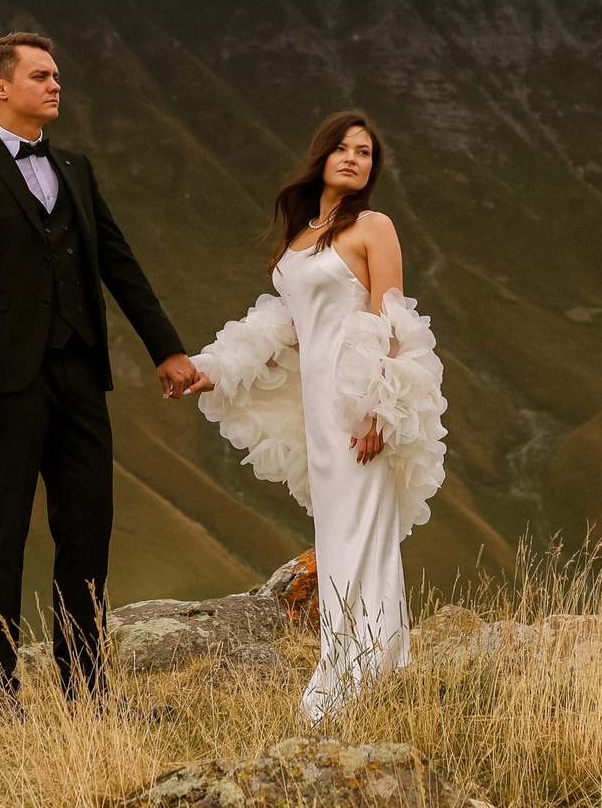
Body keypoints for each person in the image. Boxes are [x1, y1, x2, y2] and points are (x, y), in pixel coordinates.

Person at [0, 31, 205, 720]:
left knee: (87, 532)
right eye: (41, 75)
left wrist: (166, 348)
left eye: (56, 76)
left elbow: (117, 260)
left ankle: (88, 691)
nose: (56, 85)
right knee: (1, 534)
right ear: (0, 87)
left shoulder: (75, 167)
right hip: (5, 383)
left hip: (81, 376)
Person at [182, 111, 447, 720]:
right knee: (335, 537)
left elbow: (391, 320)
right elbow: (282, 326)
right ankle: (352, 670)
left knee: (363, 534)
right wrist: (213, 368)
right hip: (317, 411)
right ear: (322, 155)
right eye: (344, 148)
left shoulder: (373, 226)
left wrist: (380, 410)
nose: (354, 158)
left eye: (366, 152)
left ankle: (364, 680)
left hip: (358, 406)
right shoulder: (299, 238)